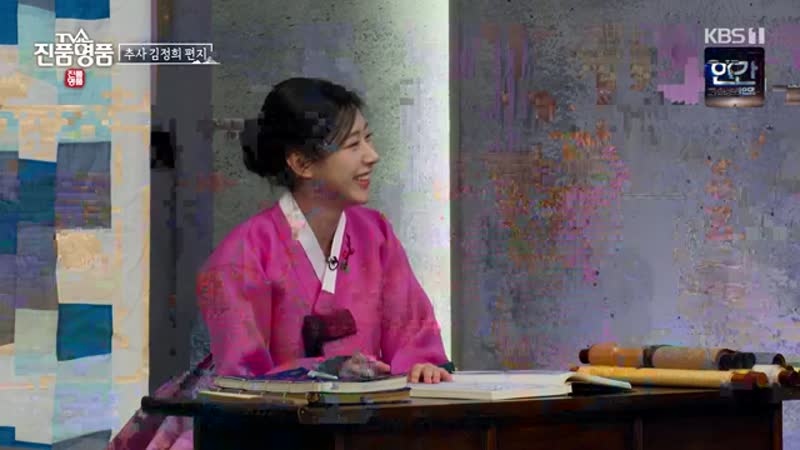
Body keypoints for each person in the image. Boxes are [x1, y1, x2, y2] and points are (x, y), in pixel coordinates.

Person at [108, 77, 452, 450]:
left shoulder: (376, 234)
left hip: (365, 430)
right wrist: (326, 371)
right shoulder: (242, 254)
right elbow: (242, 380)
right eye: (353, 145)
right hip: (264, 438)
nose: (372, 155)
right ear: (302, 163)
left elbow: (413, 333)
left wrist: (423, 366)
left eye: (367, 139)